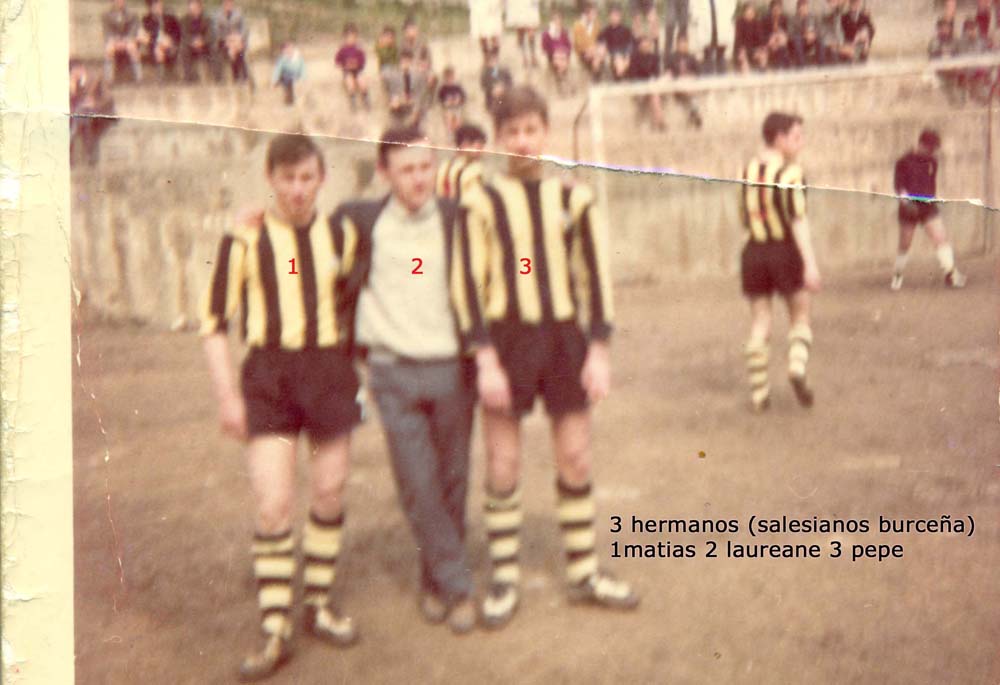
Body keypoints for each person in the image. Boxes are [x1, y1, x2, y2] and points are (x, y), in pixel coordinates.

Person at [457, 85, 640, 629]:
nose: (522, 141)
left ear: (546, 133)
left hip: (562, 339)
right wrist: (484, 359)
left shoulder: (572, 199)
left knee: (576, 457)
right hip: (505, 342)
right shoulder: (480, 201)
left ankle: (583, 573)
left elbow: (595, 278)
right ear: (498, 138)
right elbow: (467, 284)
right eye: (512, 132)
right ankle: (505, 579)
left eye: (531, 130)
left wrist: (598, 350)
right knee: (503, 463)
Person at [199, 134, 362, 681]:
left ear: (321, 179)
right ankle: (275, 628)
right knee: (273, 505)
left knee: (330, 491)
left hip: (329, 371)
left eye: (307, 178)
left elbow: (365, 293)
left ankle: (317, 604)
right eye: (287, 178)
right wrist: (227, 397)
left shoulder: (341, 234)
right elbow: (214, 324)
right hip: (268, 375)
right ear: (270, 179)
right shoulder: (243, 240)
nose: (297, 189)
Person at [329, 125, 481, 634]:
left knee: (452, 482)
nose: (419, 179)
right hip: (392, 373)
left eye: (425, 167)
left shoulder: (458, 218)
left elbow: (513, 242)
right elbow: (302, 242)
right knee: (418, 484)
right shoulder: (360, 221)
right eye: (407, 169)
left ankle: (434, 581)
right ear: (384, 172)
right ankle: (458, 588)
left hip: (451, 370)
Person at [738, 112, 820, 412]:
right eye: (796, 137)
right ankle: (796, 367)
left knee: (760, 320)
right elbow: (798, 220)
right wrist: (810, 264)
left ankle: (759, 394)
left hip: (753, 252)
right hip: (784, 250)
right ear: (779, 138)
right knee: (800, 314)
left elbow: (743, 217)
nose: (801, 143)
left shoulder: (746, 170)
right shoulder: (791, 174)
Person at [891, 130, 967, 291]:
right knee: (904, 245)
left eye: (934, 149)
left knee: (941, 238)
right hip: (909, 208)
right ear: (921, 144)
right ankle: (897, 274)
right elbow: (899, 187)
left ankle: (951, 274)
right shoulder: (903, 162)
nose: (932, 152)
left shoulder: (932, 161)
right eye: (930, 148)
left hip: (927, 207)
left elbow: (931, 184)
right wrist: (906, 203)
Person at [69, 58, 116, 166]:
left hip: (100, 112)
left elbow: (108, 98)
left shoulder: (96, 78)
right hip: (81, 115)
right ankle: (83, 158)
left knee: (82, 119)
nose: (74, 75)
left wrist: (95, 104)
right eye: (71, 73)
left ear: (80, 69)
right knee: (80, 117)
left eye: (74, 72)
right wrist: (72, 89)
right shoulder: (74, 83)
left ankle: (86, 155)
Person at [436, 123, 487, 202]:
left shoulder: (445, 165)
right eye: (479, 144)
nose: (481, 149)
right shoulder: (474, 170)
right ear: (464, 144)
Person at [664, 34, 704, 128]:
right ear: (677, 45)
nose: (683, 46)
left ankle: (694, 114)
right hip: (676, 86)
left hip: (689, 85)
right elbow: (668, 73)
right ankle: (695, 114)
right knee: (690, 91)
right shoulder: (671, 57)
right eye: (681, 43)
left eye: (685, 43)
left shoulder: (691, 57)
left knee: (691, 90)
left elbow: (698, 72)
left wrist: (692, 76)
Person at [688, 0, 738, 73]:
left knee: (721, 64)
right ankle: (707, 76)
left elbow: (731, 7)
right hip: (705, 36)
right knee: (707, 64)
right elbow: (693, 13)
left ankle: (721, 76)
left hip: (721, 36)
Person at [628, 35, 666, 130]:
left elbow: (657, 73)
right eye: (643, 45)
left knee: (654, 95)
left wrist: (651, 78)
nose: (645, 47)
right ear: (639, 46)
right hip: (639, 86)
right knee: (654, 95)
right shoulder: (634, 58)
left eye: (647, 45)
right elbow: (632, 74)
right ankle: (659, 121)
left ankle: (658, 122)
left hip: (651, 86)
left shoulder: (654, 57)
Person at [138, 0, 182, 81]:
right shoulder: (146, 19)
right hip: (153, 46)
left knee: (162, 47)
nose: (157, 7)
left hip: (170, 44)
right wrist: (157, 41)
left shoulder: (170, 18)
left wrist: (170, 39)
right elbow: (145, 36)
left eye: (158, 4)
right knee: (158, 49)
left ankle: (163, 76)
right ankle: (162, 77)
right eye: (154, 5)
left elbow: (177, 33)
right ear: (150, 8)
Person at [386, 49, 430, 127]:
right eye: (403, 61)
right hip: (399, 105)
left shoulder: (419, 76)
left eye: (408, 61)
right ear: (399, 62)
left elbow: (422, 95)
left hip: (414, 106)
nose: (406, 64)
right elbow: (391, 92)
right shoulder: (393, 76)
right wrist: (395, 100)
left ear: (411, 62)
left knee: (416, 114)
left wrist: (415, 104)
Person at [102, 0, 142, 83]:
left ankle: (139, 78)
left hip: (128, 40)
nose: (120, 2)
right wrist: (115, 41)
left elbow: (133, 30)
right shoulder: (106, 15)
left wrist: (125, 40)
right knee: (109, 49)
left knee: (132, 48)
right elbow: (107, 32)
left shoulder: (132, 14)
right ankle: (108, 79)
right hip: (114, 41)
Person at [335, 23, 371, 112]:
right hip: (347, 71)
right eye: (348, 37)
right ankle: (352, 100)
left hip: (358, 70)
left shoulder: (358, 49)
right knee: (349, 81)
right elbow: (337, 61)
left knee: (362, 81)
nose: (351, 39)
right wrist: (345, 65)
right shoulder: (342, 49)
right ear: (345, 38)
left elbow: (363, 61)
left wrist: (357, 64)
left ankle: (366, 99)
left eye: (353, 37)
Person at [180, 0, 218, 82]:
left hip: (205, 46)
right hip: (191, 46)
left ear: (200, 7)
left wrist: (202, 41)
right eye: (192, 7)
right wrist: (193, 42)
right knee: (183, 50)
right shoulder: (184, 20)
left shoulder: (207, 19)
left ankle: (217, 79)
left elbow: (210, 34)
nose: (194, 9)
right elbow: (184, 35)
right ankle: (188, 79)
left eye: (196, 7)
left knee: (214, 49)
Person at [212, 0, 249, 82]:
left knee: (238, 50)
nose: (228, 5)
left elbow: (245, 29)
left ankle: (243, 77)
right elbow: (216, 31)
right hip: (223, 42)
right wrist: (227, 39)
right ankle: (235, 77)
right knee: (231, 50)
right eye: (226, 3)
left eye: (230, 3)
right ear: (222, 4)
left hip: (237, 41)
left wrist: (238, 37)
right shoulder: (217, 15)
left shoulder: (238, 14)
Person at [597, 3, 634, 80]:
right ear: (609, 17)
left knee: (623, 62)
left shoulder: (626, 30)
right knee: (618, 61)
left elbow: (630, 45)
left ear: (620, 17)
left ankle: (622, 77)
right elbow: (601, 44)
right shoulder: (605, 31)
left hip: (625, 55)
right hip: (613, 56)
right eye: (612, 16)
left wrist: (627, 58)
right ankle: (620, 78)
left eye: (616, 16)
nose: (614, 18)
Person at [541, 10, 573, 92]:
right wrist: (553, 51)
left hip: (564, 55)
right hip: (553, 55)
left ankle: (561, 81)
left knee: (562, 61)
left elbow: (569, 45)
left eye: (559, 19)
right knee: (559, 61)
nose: (557, 21)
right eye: (555, 19)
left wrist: (565, 51)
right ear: (552, 21)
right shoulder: (547, 33)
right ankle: (563, 82)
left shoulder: (564, 32)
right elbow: (544, 47)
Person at [572, 2, 605, 78]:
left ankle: (595, 77)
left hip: (594, 51)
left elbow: (600, 40)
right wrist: (591, 50)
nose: (595, 16)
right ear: (587, 14)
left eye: (596, 14)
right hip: (582, 52)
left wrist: (596, 49)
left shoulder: (596, 24)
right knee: (596, 58)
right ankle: (595, 78)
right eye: (593, 14)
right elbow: (579, 45)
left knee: (597, 58)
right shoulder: (578, 25)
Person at [506, 0, 541, 68]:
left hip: (529, 5)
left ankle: (533, 56)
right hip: (518, 5)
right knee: (521, 33)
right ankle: (524, 57)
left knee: (531, 31)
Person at [480, 49, 513, 114]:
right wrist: (492, 89)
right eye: (490, 61)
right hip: (492, 97)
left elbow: (510, 82)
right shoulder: (485, 74)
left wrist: (503, 88)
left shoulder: (504, 71)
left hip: (504, 95)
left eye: (494, 60)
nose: (493, 63)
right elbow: (484, 85)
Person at [272, 41, 304, 106]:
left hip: (296, 77)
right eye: (285, 50)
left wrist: (303, 77)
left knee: (297, 88)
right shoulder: (282, 59)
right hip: (285, 77)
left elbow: (303, 68)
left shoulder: (298, 58)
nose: (288, 51)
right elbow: (277, 70)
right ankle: (288, 101)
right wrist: (274, 80)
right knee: (287, 89)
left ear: (293, 49)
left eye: (290, 49)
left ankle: (297, 101)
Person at [761, 0, 792, 69]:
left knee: (781, 37)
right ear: (771, 9)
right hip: (769, 42)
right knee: (776, 39)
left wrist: (778, 40)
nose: (777, 11)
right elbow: (762, 34)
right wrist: (771, 42)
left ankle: (782, 66)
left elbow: (787, 33)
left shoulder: (784, 18)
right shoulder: (765, 19)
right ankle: (781, 65)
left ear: (781, 9)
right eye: (775, 9)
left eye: (779, 9)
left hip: (781, 42)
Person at [438, 66, 468, 135]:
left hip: (457, 107)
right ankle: (449, 133)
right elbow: (440, 98)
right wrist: (445, 102)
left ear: (454, 77)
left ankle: (458, 132)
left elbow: (463, 97)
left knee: (458, 120)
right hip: (447, 108)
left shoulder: (457, 86)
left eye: (451, 77)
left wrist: (459, 100)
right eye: (448, 78)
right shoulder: (443, 87)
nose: (450, 80)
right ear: (445, 78)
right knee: (448, 120)